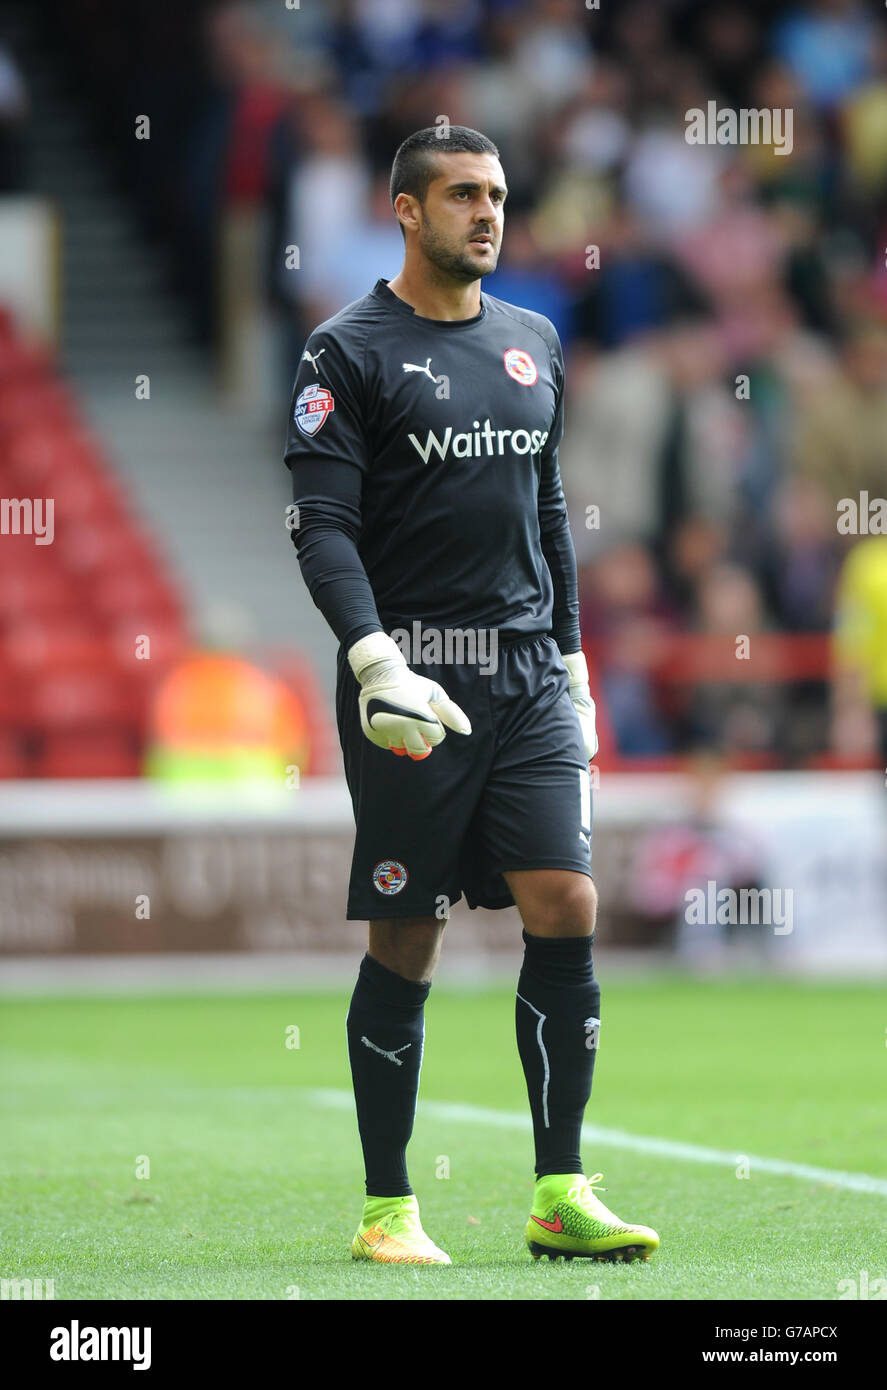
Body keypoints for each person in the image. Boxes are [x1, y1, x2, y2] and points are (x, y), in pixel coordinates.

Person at [284, 125, 659, 1266]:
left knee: (566, 901)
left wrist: (576, 662)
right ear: (404, 210)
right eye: (460, 196)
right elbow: (323, 527)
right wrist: (373, 661)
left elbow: (546, 517)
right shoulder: (342, 354)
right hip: (412, 680)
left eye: (495, 195)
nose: (486, 213)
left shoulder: (533, 338)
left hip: (527, 675)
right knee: (409, 932)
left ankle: (558, 1189)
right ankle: (387, 1209)